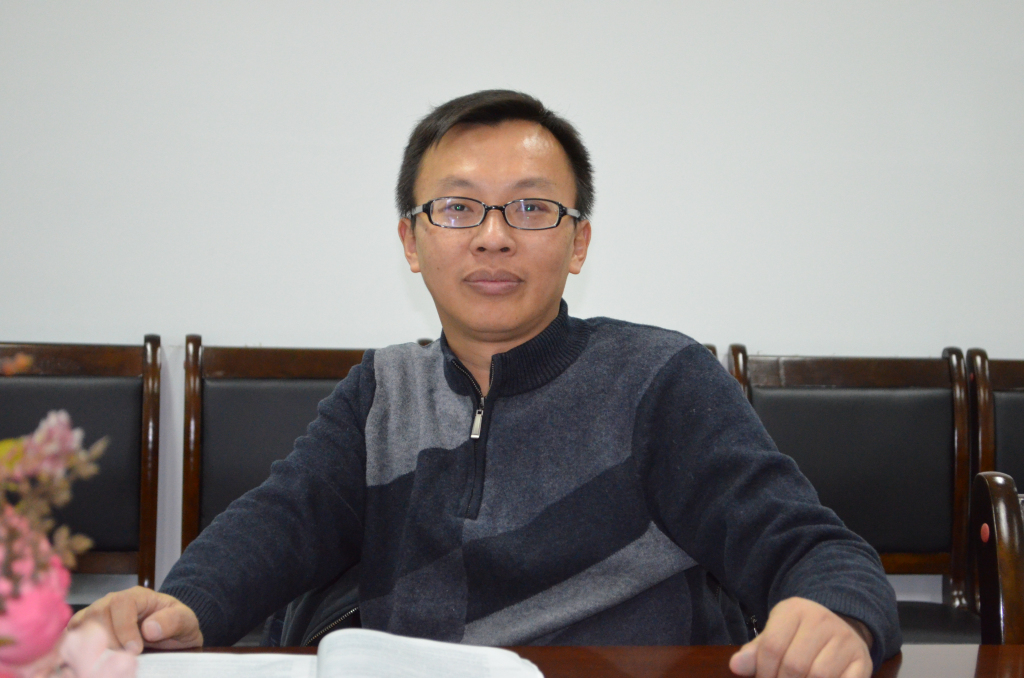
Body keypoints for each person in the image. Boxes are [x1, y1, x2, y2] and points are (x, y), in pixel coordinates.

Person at [70, 90, 900, 678]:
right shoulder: (381, 390)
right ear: (411, 240)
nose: (494, 238)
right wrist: (180, 606)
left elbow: (815, 549)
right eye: (458, 208)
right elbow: (283, 520)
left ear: (578, 243)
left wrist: (835, 610)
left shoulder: (660, 378)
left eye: (532, 209)